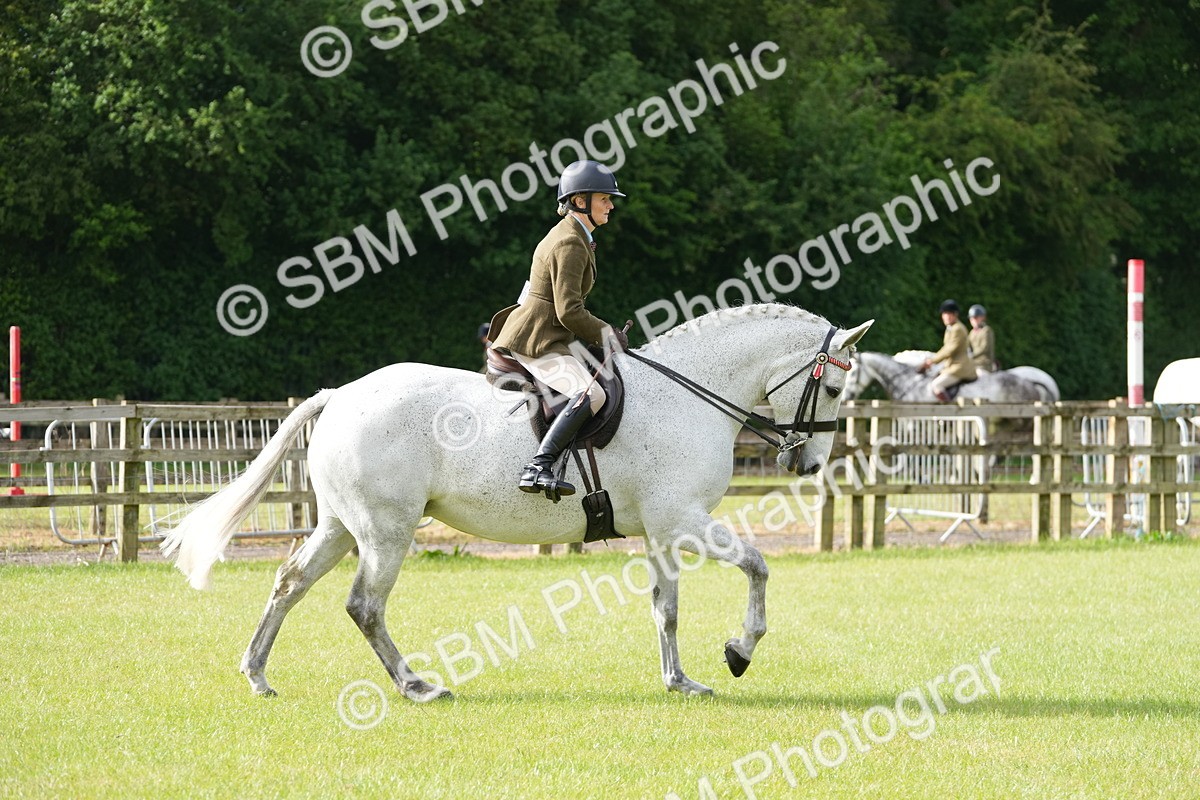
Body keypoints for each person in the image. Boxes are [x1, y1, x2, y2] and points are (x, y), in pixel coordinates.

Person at [487, 160, 628, 498]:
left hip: (548, 334)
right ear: (580, 201)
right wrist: (608, 334)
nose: (611, 205)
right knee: (590, 394)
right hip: (538, 339)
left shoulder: (576, 236)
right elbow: (569, 311)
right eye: (605, 199)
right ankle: (539, 466)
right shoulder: (570, 243)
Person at [919, 299, 977, 402]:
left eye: (949, 314)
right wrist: (933, 359)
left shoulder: (958, 329)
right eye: (944, 314)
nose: (946, 317)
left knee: (936, 385)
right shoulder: (950, 328)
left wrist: (932, 361)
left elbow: (949, 350)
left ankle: (950, 410)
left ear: (955, 315)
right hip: (951, 365)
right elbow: (945, 348)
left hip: (959, 367)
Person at [967, 304, 996, 372]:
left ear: (982, 318)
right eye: (972, 318)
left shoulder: (987, 330)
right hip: (973, 361)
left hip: (984, 363)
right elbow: (968, 346)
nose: (974, 320)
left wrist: (971, 356)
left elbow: (984, 348)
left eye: (976, 318)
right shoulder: (972, 332)